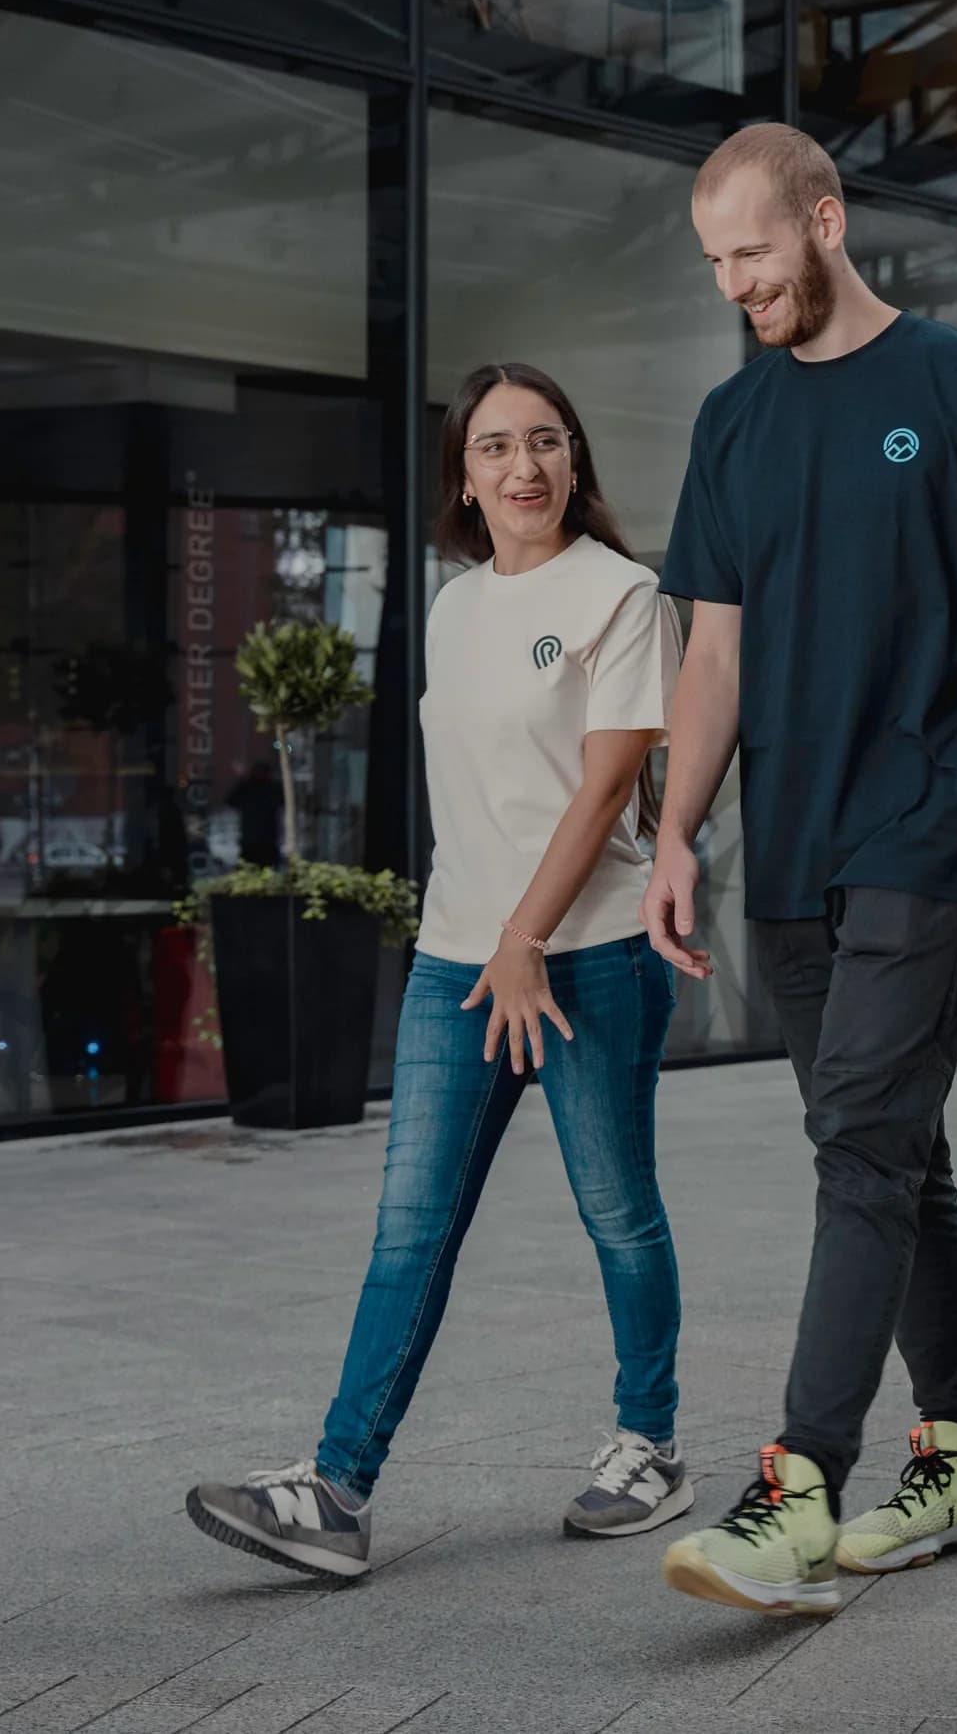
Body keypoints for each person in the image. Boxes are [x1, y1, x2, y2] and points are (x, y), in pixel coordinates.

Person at [644, 124, 957, 1617]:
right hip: (795, 848)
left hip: (926, 825)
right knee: (894, 1145)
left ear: (826, 220)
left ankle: (797, 1487)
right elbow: (716, 650)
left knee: (861, 1154)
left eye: (751, 250)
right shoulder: (734, 419)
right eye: (715, 261)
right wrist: (677, 830)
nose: (735, 281)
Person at [185, 363, 689, 1578]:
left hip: (589, 956)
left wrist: (527, 941)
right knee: (408, 1229)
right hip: (456, 963)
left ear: (576, 462)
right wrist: (483, 940)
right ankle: (340, 1490)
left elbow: (608, 785)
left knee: (616, 1214)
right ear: (463, 477)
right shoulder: (455, 606)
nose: (525, 468)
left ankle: (650, 1442)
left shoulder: (624, 594)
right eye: (498, 448)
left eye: (547, 443)